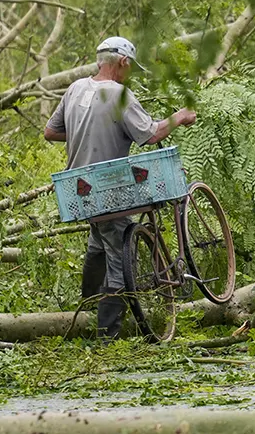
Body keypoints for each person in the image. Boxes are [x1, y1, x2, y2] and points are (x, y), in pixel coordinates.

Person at [44, 36, 197, 338]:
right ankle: (107, 335)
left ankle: (85, 308)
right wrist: (179, 117)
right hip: (107, 187)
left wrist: (82, 134)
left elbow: (51, 132)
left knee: (100, 240)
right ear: (123, 62)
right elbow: (151, 134)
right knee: (120, 253)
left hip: (79, 188)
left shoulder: (75, 89)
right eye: (130, 68)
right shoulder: (118, 95)